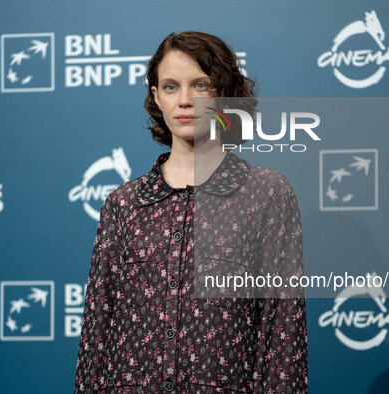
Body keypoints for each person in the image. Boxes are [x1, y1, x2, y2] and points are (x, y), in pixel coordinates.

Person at [74, 31, 307, 393]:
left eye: (200, 85)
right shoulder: (124, 204)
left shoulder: (266, 195)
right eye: (170, 87)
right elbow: (96, 334)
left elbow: (283, 335)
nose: (185, 101)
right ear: (155, 97)